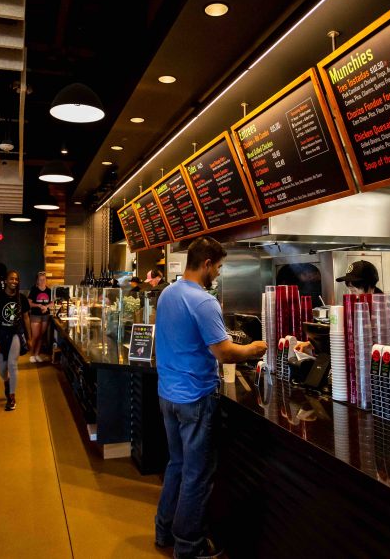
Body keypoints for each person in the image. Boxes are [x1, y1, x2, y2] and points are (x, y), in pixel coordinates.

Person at [154, 237, 267, 558]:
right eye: (217, 267)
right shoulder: (203, 302)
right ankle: (189, 547)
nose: (218, 273)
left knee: (176, 464)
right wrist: (256, 348)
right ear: (206, 264)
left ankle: (164, 530)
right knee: (197, 475)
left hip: (168, 395)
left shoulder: (168, 293)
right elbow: (225, 352)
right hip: (194, 399)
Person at [0, 270, 30, 412]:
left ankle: (11, 396)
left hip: (16, 334)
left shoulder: (22, 298)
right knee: (1, 367)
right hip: (1, 335)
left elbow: (26, 318)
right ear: (6, 281)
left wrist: (29, 338)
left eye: (16, 279)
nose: (14, 281)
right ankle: (7, 383)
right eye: (11, 279)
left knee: (12, 364)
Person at [27, 271, 52, 363]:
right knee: (36, 336)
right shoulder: (34, 289)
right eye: (40, 280)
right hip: (35, 315)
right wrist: (39, 305)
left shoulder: (49, 291)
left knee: (41, 335)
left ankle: (37, 354)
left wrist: (46, 307)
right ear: (37, 281)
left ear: (46, 280)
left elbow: (52, 302)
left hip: (45, 315)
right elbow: (29, 303)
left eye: (44, 279)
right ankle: (32, 354)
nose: (42, 281)